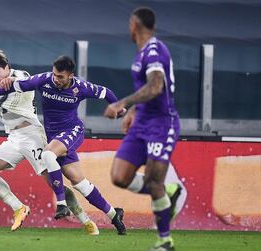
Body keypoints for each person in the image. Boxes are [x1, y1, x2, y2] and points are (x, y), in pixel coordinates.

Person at [0, 55, 126, 235]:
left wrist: (119, 107)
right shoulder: (45, 80)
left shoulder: (77, 87)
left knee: (50, 162)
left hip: (49, 133)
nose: (56, 79)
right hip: (22, 137)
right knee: (78, 182)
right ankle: (113, 214)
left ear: (71, 75)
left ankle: (65, 207)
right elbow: (7, 93)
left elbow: (105, 92)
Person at [104, 7, 182, 251]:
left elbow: (156, 86)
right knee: (119, 176)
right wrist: (135, 113)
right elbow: (147, 89)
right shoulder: (141, 54)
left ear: (134, 25)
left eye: (129, 24)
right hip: (142, 123)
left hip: (162, 124)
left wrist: (123, 103)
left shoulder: (154, 50)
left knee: (153, 180)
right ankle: (169, 191)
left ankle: (165, 241)